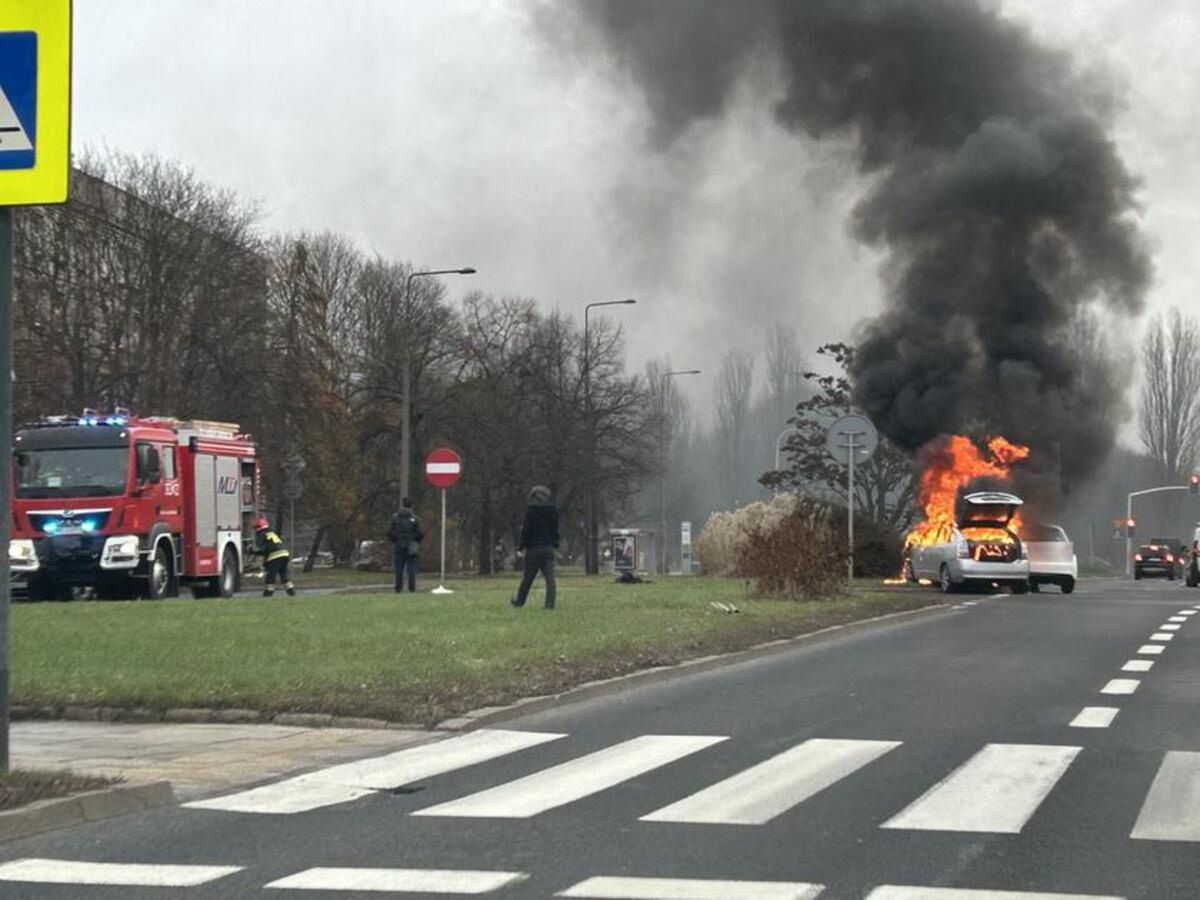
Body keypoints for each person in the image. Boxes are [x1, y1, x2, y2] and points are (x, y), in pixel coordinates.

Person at [510, 485, 559, 610]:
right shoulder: (552, 511)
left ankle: (519, 601)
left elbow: (526, 531)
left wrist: (521, 547)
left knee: (527, 578)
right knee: (550, 579)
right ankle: (550, 604)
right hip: (547, 549)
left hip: (534, 549)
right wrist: (555, 545)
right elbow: (555, 530)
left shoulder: (531, 511)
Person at [388, 498, 424, 593]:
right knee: (411, 568)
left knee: (398, 568)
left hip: (399, 545)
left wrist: (395, 540)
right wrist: (415, 540)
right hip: (411, 546)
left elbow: (389, 531)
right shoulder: (415, 518)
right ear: (411, 506)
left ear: (402, 505)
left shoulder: (395, 517)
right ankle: (412, 588)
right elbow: (421, 533)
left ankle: (398, 588)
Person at [254, 517, 295, 597]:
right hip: (284, 554)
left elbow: (263, 550)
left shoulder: (261, 535)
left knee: (270, 576)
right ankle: (291, 592)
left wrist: (252, 551)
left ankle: (268, 594)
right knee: (283, 574)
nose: (255, 530)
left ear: (259, 527)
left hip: (275, 556)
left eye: (255, 527)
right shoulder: (271, 532)